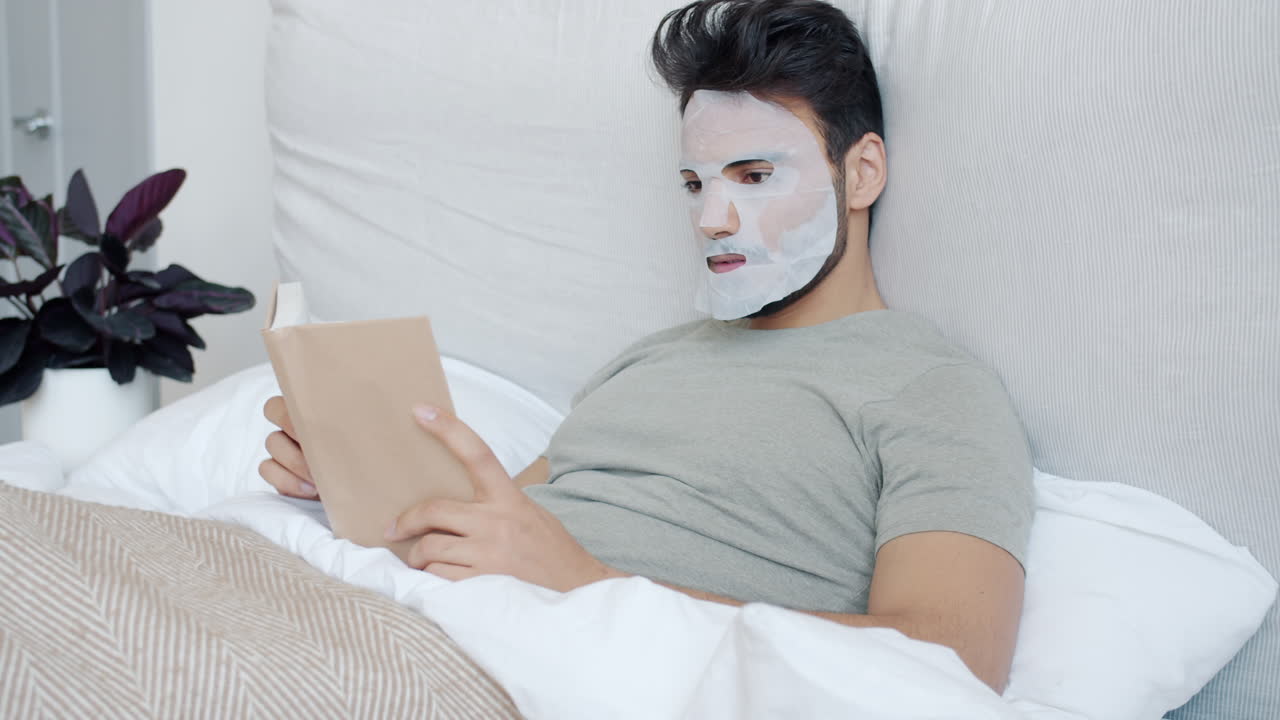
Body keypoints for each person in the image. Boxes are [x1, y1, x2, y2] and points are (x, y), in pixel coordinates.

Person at [259, 0, 1033, 693]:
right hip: (390, 617)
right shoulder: (649, 361)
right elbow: (502, 528)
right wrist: (361, 483)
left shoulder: (933, 388)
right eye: (695, 184)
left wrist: (591, 586)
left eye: (754, 175)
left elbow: (953, 661)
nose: (712, 220)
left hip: (524, 669)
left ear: (861, 172)